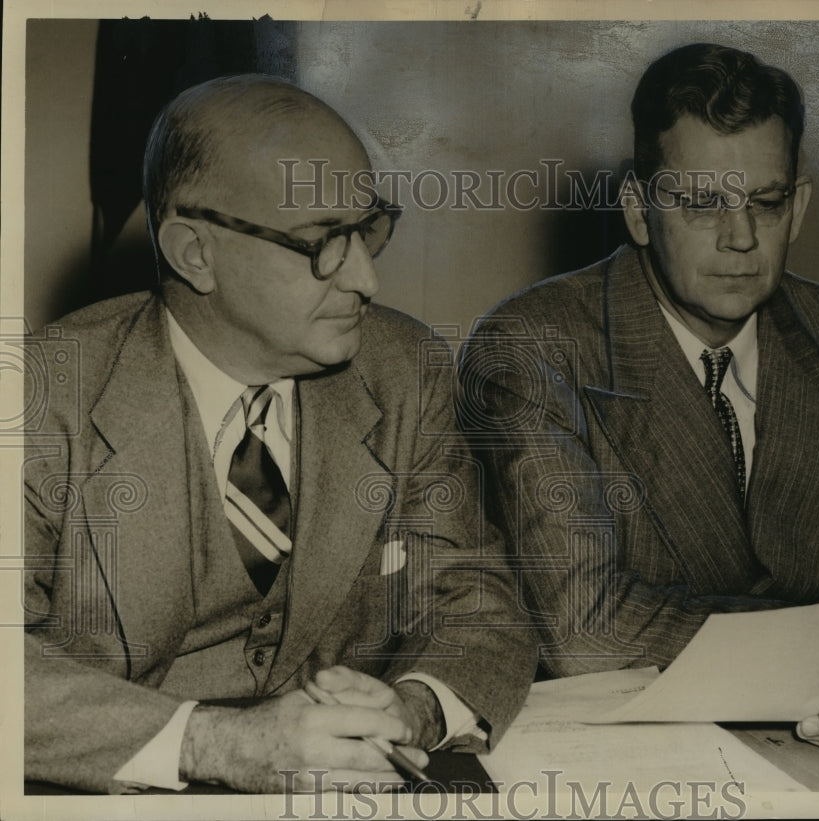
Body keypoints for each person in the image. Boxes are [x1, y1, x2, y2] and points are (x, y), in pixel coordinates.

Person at [23, 74, 535, 794]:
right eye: (323, 241)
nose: (365, 278)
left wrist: (414, 707)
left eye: (369, 231)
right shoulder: (40, 395)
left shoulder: (405, 369)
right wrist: (213, 743)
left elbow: (475, 600)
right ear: (195, 252)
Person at [457, 43, 819, 751]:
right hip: (610, 756)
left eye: (766, 200)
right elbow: (585, 628)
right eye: (702, 203)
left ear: (800, 204)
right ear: (637, 210)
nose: (742, 237)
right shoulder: (534, 347)